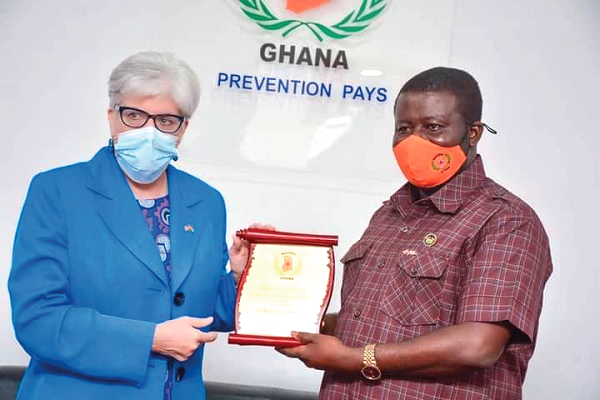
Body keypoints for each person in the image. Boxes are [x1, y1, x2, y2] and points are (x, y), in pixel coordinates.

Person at [278, 67, 553, 399]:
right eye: (404, 128)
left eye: (433, 127)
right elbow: (375, 322)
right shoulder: (389, 214)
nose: (414, 141)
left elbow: (478, 345)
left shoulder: (506, 221)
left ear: (474, 133)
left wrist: (353, 359)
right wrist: (286, 315)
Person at [8, 51, 254, 400]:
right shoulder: (57, 191)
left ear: (184, 127)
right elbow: (38, 319)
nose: (149, 131)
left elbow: (200, 313)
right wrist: (151, 339)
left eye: (166, 120)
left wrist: (240, 278)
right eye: (135, 115)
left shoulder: (205, 201)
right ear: (112, 116)